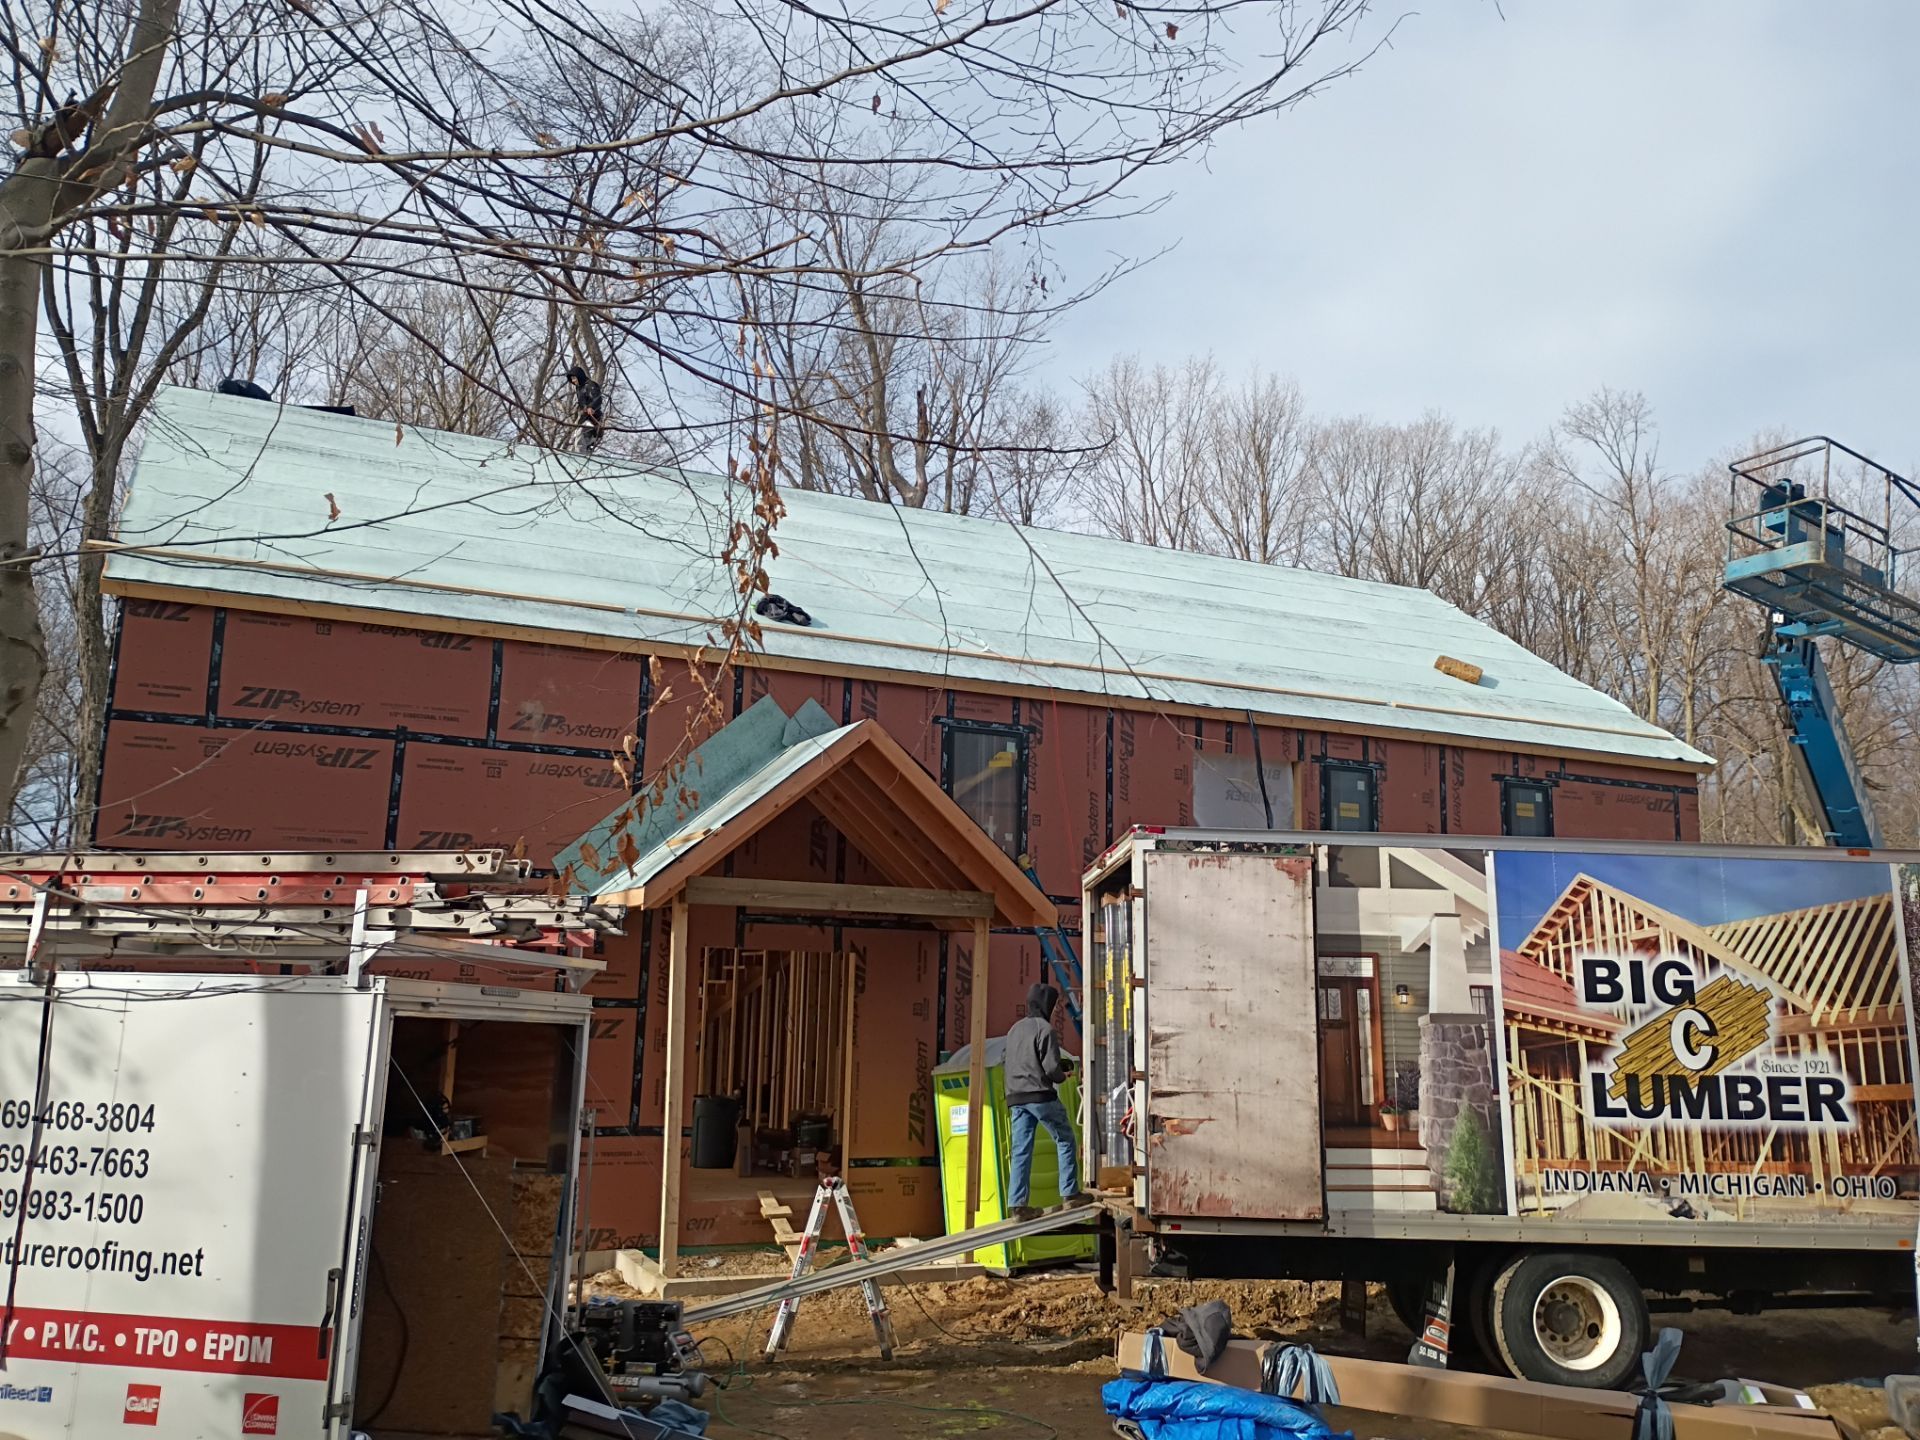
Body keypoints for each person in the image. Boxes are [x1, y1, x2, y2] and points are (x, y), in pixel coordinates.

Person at [1004, 982, 1081, 1219]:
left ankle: (1018, 1206)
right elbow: (1050, 1069)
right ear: (1047, 1005)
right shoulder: (1045, 1029)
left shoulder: (1014, 1029)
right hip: (1040, 1096)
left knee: (1021, 1151)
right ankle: (1070, 1195)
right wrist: (1063, 1075)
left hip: (1015, 1098)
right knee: (1065, 1138)